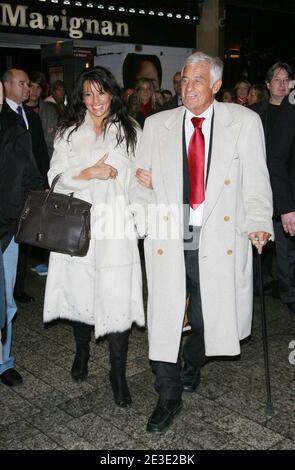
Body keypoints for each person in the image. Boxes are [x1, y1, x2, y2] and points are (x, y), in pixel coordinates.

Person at [130, 51, 273, 433]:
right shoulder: (157, 124)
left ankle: (193, 359)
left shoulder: (244, 122)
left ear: (215, 85)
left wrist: (259, 222)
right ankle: (168, 394)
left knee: (208, 321)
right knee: (164, 316)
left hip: (218, 236)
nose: (188, 87)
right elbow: (138, 185)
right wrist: (145, 220)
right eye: (184, 80)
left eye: (197, 80)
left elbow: (256, 181)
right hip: (170, 235)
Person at [43, 66, 145, 407]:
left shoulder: (131, 130)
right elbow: (54, 175)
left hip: (116, 226)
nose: (96, 100)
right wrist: (88, 172)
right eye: (89, 93)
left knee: (117, 299)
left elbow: (140, 179)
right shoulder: (69, 131)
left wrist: (142, 211)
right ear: (81, 97)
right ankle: (82, 352)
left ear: (113, 93)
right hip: (78, 225)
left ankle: (118, 374)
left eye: (101, 92)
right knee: (80, 294)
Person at [0, 81, 43, 386]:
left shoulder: (15, 130)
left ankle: (3, 362)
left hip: (5, 229)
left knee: (4, 300)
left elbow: (30, 176)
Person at [2, 68, 50, 303]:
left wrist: (46, 182)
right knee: (11, 239)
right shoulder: (2, 116)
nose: (27, 89)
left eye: (28, 84)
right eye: (21, 84)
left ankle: (18, 287)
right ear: (6, 86)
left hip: (32, 189)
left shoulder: (32, 116)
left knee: (25, 239)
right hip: (10, 193)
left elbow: (40, 152)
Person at [252, 62, 295, 313]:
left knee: (286, 245)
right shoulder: (256, 113)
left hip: (285, 186)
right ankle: (262, 283)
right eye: (277, 79)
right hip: (263, 186)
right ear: (267, 85)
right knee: (266, 240)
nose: (282, 83)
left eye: (286, 79)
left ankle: (288, 292)